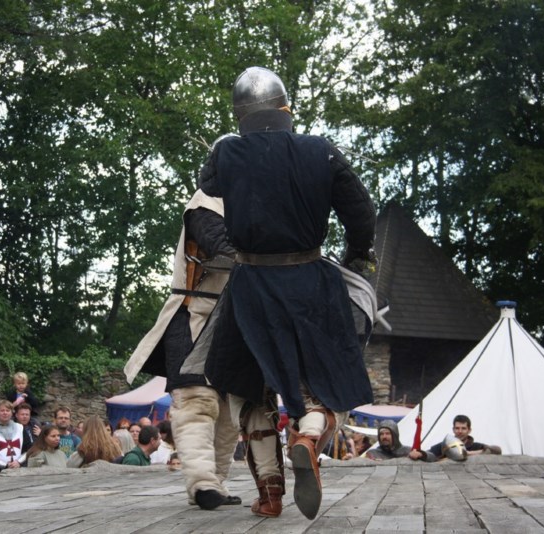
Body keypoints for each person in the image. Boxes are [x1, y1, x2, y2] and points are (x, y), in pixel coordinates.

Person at [194, 66, 377, 519]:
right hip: (311, 283)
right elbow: (361, 211)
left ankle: (270, 492)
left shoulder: (227, 151)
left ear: (240, 114)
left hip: (251, 285)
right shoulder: (320, 150)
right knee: (323, 382)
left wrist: (227, 144)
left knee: (245, 389)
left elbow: (207, 185)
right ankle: (308, 436)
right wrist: (356, 254)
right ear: (285, 107)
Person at [123, 186, 241, 510]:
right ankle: (202, 483)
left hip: (234, 321)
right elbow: (220, 246)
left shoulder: (251, 201)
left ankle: (215, 483)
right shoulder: (207, 202)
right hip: (194, 316)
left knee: (230, 413)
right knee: (196, 403)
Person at [409, 415, 502, 462]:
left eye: (463, 428)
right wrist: (420, 454)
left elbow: (497, 450)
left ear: (469, 430)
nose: (460, 431)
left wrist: (468, 453)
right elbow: (431, 455)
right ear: (453, 429)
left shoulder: (476, 446)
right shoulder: (443, 445)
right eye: (457, 428)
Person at [0, 400, 31, 473]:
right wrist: (5, 465)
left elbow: (29, 449)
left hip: (19, 470)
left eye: (8, 410)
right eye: (2, 410)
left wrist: (19, 462)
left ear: (12, 413)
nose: (5, 413)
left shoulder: (20, 428)